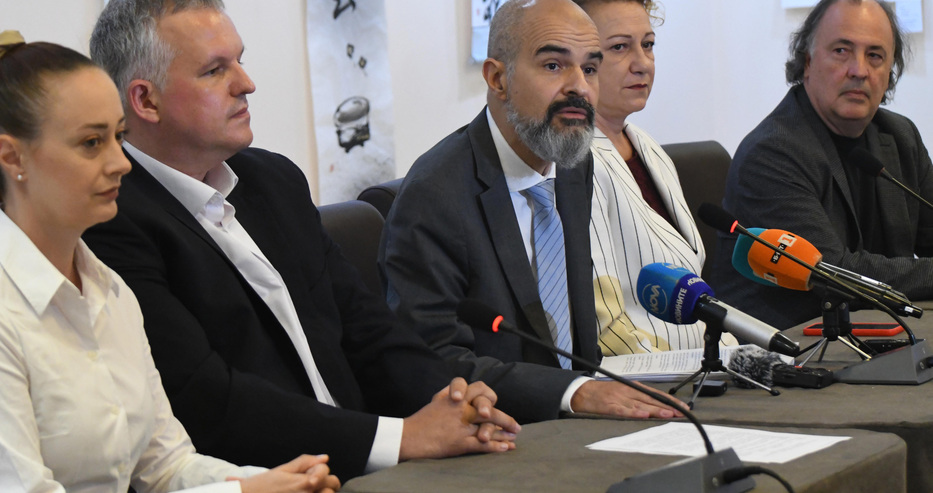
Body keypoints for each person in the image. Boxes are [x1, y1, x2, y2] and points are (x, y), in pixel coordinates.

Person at [82, 0, 520, 482]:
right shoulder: (109, 222)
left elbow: (367, 327)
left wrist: (450, 397)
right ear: (146, 101)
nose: (246, 83)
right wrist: (401, 438)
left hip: (373, 463)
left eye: (240, 60)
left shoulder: (273, 181)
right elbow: (204, 398)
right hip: (269, 478)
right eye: (214, 71)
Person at [0, 33, 340, 493]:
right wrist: (243, 492)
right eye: (91, 143)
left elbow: (165, 466)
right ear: (12, 157)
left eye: (118, 137)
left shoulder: (110, 288)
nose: (120, 163)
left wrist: (272, 480)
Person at [380, 0, 682, 421]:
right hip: (498, 430)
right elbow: (430, 360)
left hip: (581, 424)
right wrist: (573, 393)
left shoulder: (573, 164)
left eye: (590, 68)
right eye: (554, 66)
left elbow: (578, 342)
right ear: (497, 78)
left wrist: (594, 392)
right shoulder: (436, 195)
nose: (579, 87)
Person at [710, 0, 933, 329]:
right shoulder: (772, 152)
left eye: (875, 55)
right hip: (789, 343)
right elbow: (834, 275)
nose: (859, 70)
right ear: (807, 62)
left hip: (877, 333)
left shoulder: (900, 137)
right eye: (842, 51)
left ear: (889, 73)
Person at [573, 0, 738, 354]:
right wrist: (688, 375)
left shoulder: (647, 147)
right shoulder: (576, 164)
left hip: (699, 359)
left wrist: (734, 353)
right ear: (580, 62)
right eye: (620, 47)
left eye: (647, 44)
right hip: (646, 373)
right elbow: (605, 328)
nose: (643, 63)